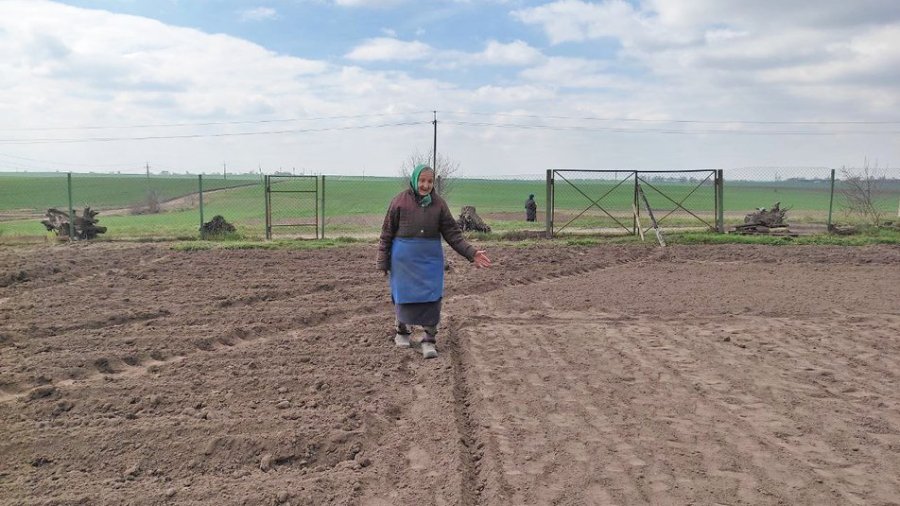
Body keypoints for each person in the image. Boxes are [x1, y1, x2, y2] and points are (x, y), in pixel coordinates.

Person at [377, 164, 491, 359]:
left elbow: (453, 234)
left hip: (430, 261)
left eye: (429, 181)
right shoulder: (399, 202)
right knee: (404, 296)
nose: (425, 185)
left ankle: (429, 340)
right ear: (415, 180)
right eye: (422, 180)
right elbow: (386, 233)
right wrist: (382, 260)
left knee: (432, 298)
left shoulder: (439, 205)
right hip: (404, 262)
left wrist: (471, 253)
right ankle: (402, 331)